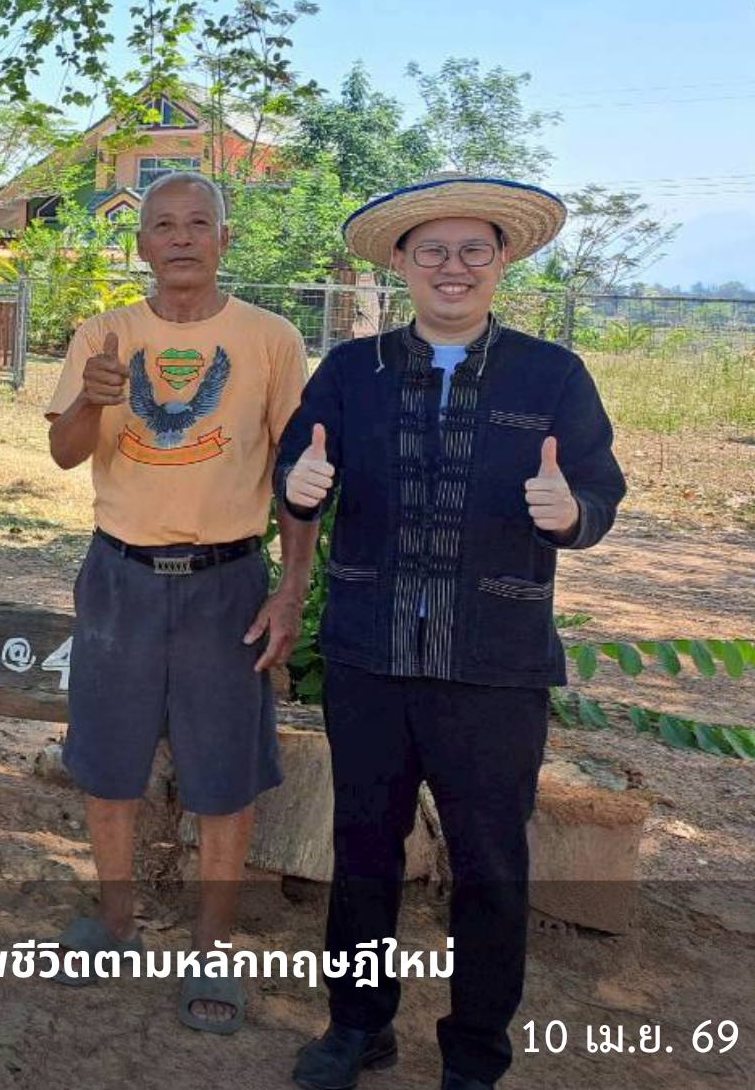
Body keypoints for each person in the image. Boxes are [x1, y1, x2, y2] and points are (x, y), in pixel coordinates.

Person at [275, 173, 627, 1090]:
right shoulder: (352, 372)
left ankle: (475, 1051)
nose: (453, 267)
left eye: (474, 249)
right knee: (361, 853)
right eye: (431, 249)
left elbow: (600, 493)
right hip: (369, 654)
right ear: (401, 263)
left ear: (503, 260)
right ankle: (357, 1027)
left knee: (489, 864)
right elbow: (297, 465)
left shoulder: (553, 376)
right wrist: (299, 488)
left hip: (494, 666)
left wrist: (570, 510)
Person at [43, 171, 318, 1034]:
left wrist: (292, 587)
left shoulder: (270, 338)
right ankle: (116, 921)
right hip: (120, 576)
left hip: (227, 581)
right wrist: (91, 400)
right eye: (164, 225)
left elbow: (295, 478)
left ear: (225, 240)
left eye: (201, 223)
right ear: (142, 244)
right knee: (108, 764)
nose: (183, 237)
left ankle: (210, 948)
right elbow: (62, 453)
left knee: (224, 778)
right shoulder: (107, 334)